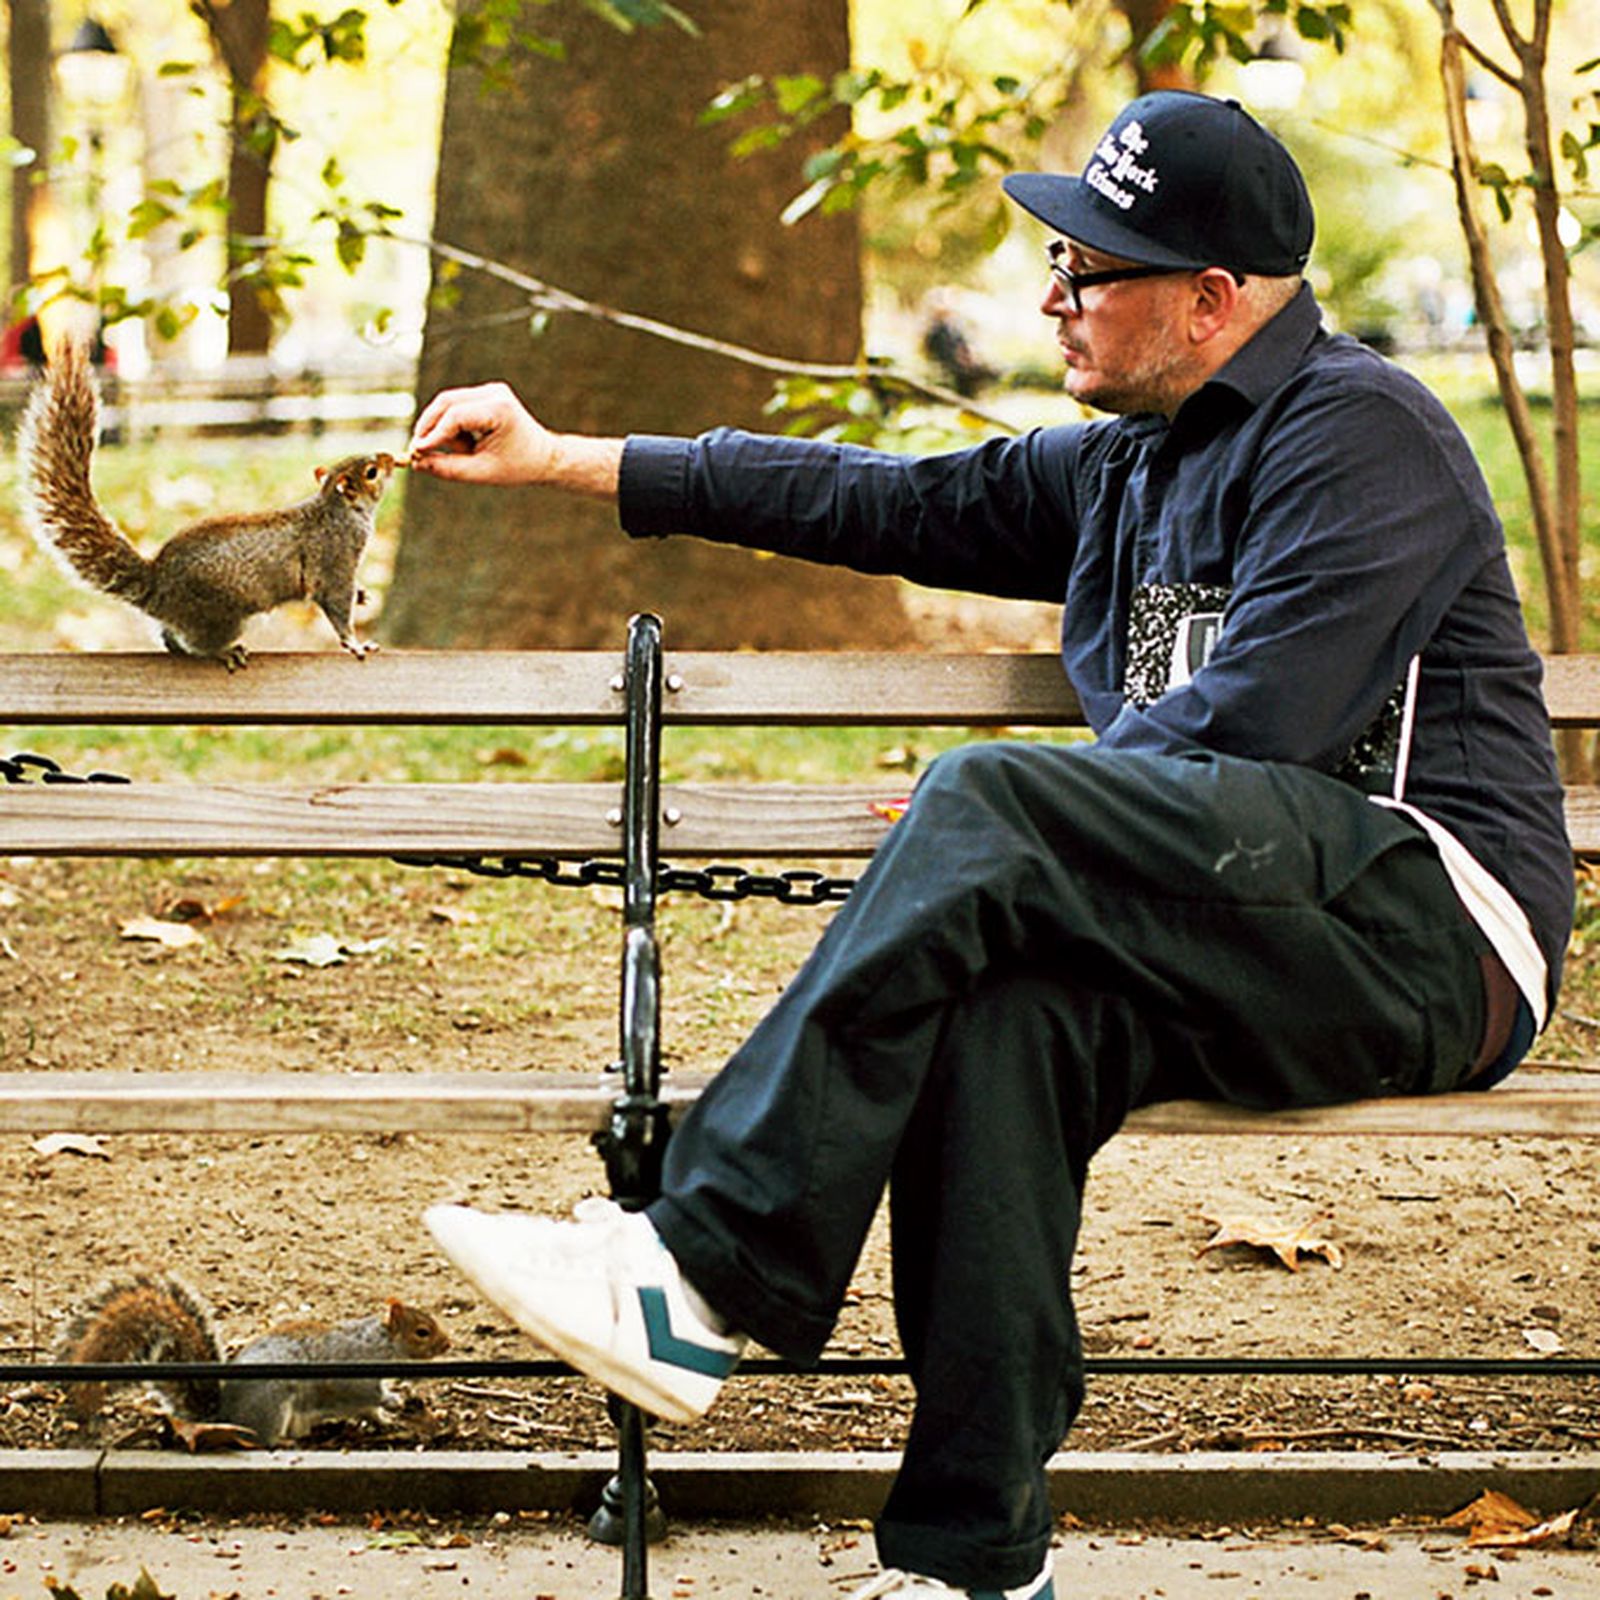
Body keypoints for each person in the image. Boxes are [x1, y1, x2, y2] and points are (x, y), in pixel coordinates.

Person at [408, 91, 1572, 1600]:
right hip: (1244, 923)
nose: (1051, 296)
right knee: (1001, 1029)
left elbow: (1261, 723)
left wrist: (1019, 826)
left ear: (1211, 300)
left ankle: (693, 1273)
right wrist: (570, 458)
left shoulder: (1363, 433)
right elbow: (868, 496)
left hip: (1428, 929)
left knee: (987, 797)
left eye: (1090, 270)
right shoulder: (1121, 469)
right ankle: (973, 1554)